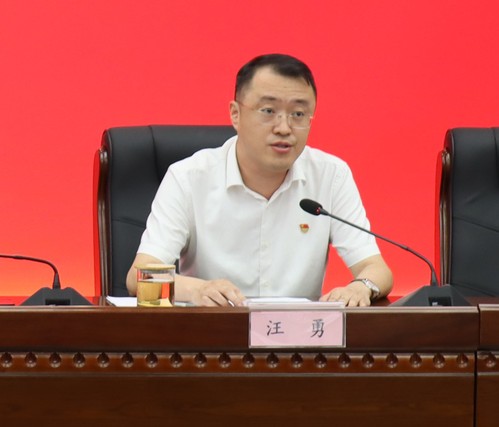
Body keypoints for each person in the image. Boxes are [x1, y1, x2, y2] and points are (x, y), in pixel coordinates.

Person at [126, 53, 393, 307]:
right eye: (268, 111)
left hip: (298, 336)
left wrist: (361, 287)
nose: (284, 128)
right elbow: (140, 277)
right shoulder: (188, 178)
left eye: (298, 114)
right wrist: (198, 290)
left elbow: (377, 269)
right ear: (236, 114)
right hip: (211, 334)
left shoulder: (331, 176)